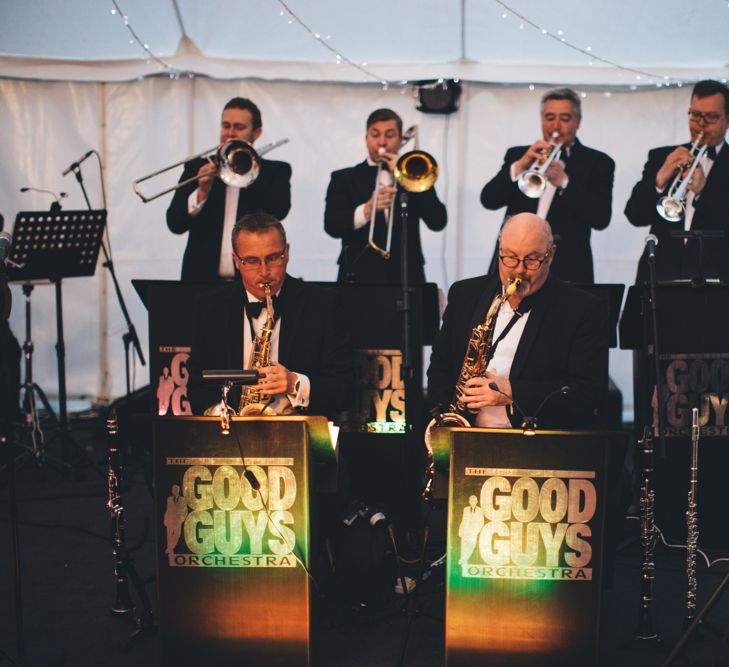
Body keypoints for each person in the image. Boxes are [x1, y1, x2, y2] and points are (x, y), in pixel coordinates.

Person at [427, 213, 608, 429]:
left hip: (535, 444)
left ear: (550, 256)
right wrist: (446, 422)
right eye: (510, 257)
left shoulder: (582, 309)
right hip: (466, 435)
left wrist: (512, 392)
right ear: (499, 251)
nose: (519, 270)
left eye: (531, 260)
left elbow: (587, 393)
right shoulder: (465, 294)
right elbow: (440, 365)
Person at [189, 212, 352, 417]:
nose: (264, 271)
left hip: (297, 434)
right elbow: (196, 386)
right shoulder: (210, 307)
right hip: (230, 434)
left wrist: (295, 384)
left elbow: (344, 388)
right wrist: (219, 413)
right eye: (251, 261)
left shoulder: (323, 305)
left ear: (287, 253)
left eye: (273, 258)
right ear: (236, 261)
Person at [480, 88, 615, 284]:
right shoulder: (518, 155)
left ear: (578, 121)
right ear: (542, 119)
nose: (556, 126)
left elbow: (601, 218)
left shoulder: (598, 162)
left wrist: (565, 183)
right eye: (550, 117)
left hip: (567, 265)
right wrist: (520, 166)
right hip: (515, 263)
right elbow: (489, 200)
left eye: (565, 118)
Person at [166, 97, 292, 282]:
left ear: (256, 133)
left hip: (251, 282)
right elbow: (175, 224)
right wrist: (202, 191)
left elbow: (279, 210)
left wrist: (248, 171)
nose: (230, 133)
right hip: (201, 281)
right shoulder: (197, 168)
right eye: (226, 126)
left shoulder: (276, 171)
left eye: (239, 127)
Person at [324, 108, 447, 284]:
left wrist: (410, 176)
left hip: (407, 275)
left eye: (390, 135)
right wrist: (366, 210)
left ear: (401, 140)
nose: (382, 142)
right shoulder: (344, 178)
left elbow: (438, 221)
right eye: (375, 135)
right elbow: (332, 225)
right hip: (358, 276)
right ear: (366, 138)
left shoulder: (415, 174)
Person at [625, 79, 729, 282]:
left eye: (711, 117)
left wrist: (702, 193)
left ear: (727, 119)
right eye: (695, 115)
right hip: (661, 275)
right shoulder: (661, 156)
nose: (701, 124)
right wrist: (659, 180)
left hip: (716, 278)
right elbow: (634, 215)